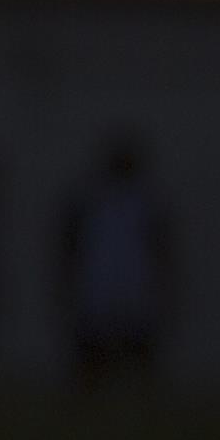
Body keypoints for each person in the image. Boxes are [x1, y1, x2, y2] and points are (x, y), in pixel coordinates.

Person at [56, 131, 171, 385]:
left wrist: (163, 284)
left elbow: (160, 246)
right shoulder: (89, 198)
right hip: (97, 284)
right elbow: (70, 244)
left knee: (139, 348)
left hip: (135, 285)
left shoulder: (147, 201)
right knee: (93, 353)